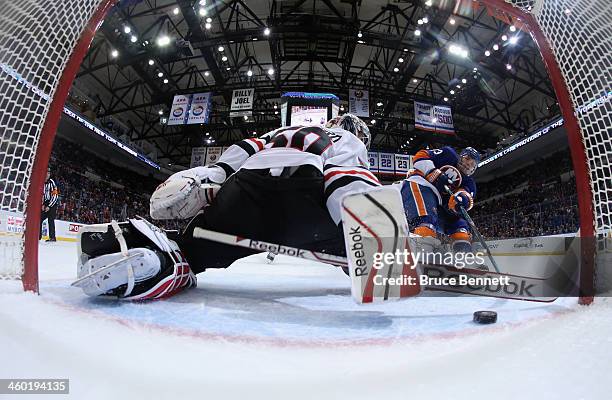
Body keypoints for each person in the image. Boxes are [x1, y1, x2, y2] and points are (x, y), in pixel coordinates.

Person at [75, 114, 379, 300]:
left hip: (246, 189)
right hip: (305, 200)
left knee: (190, 252)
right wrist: (371, 237)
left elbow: (245, 148)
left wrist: (215, 172)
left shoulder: (284, 132)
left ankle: (146, 255)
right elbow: (346, 178)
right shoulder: (349, 139)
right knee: (358, 251)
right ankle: (369, 263)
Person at [396, 146, 480, 252]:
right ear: (461, 156)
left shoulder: (469, 182)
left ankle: (463, 258)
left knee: (460, 227)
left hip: (439, 203)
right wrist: (432, 172)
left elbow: (467, 197)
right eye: (467, 159)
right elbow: (420, 156)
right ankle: (421, 250)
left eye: (473, 163)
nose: (469, 164)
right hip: (421, 185)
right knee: (427, 220)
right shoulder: (448, 154)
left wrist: (460, 200)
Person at [40, 167, 59, 242]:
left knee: (51, 220)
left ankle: (52, 237)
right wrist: (42, 204)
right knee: (40, 219)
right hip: (45, 203)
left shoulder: (52, 182)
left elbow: (55, 195)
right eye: (46, 173)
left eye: (48, 173)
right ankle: (38, 236)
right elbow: (41, 195)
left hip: (52, 204)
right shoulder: (41, 182)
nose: (47, 174)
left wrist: (49, 206)